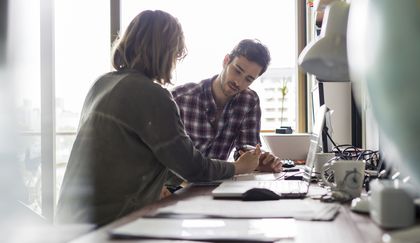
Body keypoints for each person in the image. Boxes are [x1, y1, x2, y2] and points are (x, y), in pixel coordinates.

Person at [55, 10, 260, 227]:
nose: (175, 61)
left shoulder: (102, 83)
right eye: (176, 54)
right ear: (165, 52)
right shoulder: (151, 95)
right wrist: (238, 167)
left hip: (69, 224)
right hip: (109, 225)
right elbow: (193, 167)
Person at [171, 39, 283, 173]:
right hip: (178, 184)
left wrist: (259, 162)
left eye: (248, 79)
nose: (238, 82)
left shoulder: (249, 101)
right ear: (226, 61)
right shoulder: (180, 98)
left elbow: (245, 151)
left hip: (218, 182)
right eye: (237, 71)